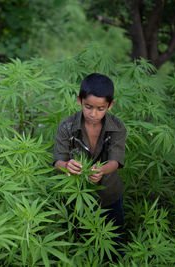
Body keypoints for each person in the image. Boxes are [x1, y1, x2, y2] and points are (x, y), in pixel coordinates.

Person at [52, 73, 127, 258]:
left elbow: (115, 160)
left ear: (110, 105)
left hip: (110, 193)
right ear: (79, 101)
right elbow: (57, 160)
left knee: (113, 243)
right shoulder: (67, 126)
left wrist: (102, 170)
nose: (94, 114)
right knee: (81, 243)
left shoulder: (117, 126)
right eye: (88, 107)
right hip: (77, 196)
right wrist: (66, 165)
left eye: (101, 108)